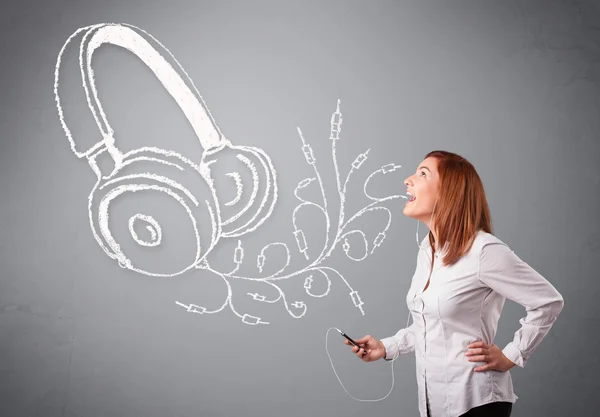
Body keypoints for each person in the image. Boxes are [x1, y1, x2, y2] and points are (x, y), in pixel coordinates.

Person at [343, 150, 564, 417]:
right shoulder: (428, 250)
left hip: (478, 403)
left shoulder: (484, 250)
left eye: (422, 173)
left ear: (449, 192)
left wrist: (512, 354)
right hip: (434, 405)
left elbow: (547, 301)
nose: (407, 180)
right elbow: (434, 326)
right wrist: (386, 347)